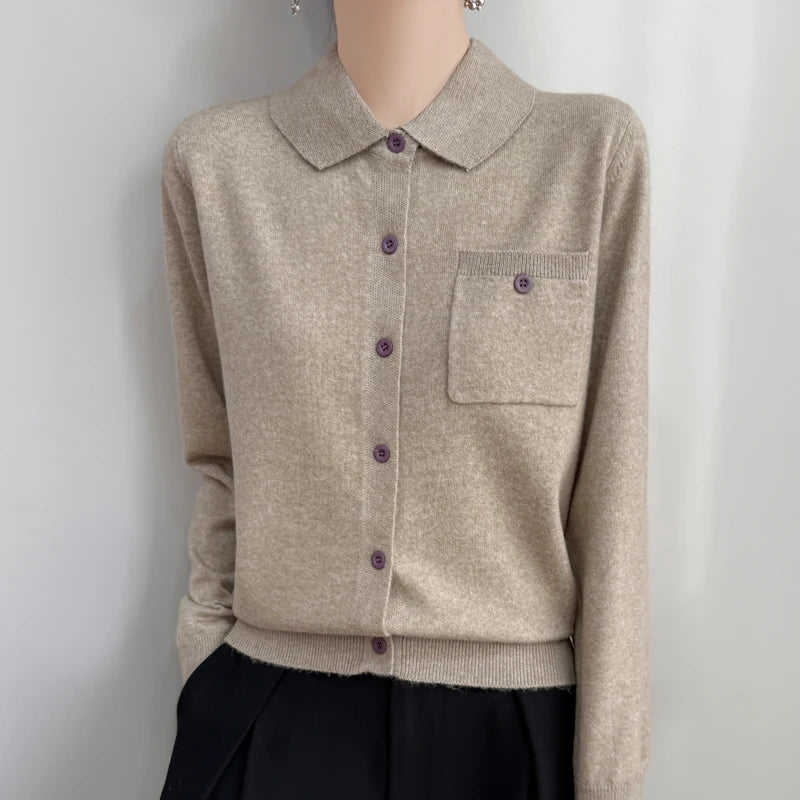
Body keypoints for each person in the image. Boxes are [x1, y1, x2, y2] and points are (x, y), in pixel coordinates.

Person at [157, 1, 652, 798]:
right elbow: (218, 455)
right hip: (268, 708)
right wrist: (206, 668)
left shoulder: (588, 154)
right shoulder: (217, 165)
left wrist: (609, 771)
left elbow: (613, 485)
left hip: (511, 730)